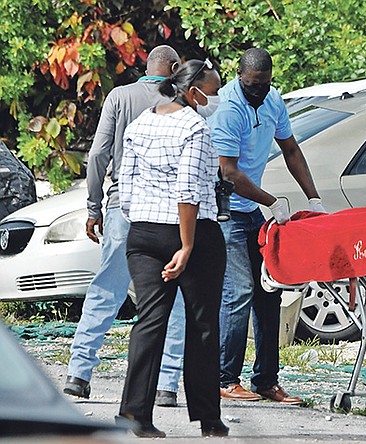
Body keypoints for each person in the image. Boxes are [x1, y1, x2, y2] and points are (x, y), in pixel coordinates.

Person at [64, 45, 187, 408]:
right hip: (167, 214)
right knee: (173, 297)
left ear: (147, 67)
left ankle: (78, 374)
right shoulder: (183, 102)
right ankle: (165, 385)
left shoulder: (119, 97)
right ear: (175, 68)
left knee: (106, 290)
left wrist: (93, 207)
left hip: (123, 208)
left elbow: (99, 154)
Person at [116, 59, 227, 438]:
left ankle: (134, 413)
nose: (215, 98)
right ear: (193, 90)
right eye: (212, 91)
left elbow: (125, 187)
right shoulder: (195, 126)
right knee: (202, 325)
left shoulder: (140, 123)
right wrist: (186, 244)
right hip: (190, 232)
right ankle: (208, 418)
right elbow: (188, 190)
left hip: (143, 233)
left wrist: (145, 223)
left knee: (149, 320)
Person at [210, 47, 324, 404]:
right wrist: (271, 202)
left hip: (251, 211)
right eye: (253, 84)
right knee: (239, 292)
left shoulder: (273, 100)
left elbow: (290, 149)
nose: (259, 90)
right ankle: (225, 378)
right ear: (240, 76)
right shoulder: (228, 108)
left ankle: (266, 380)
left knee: (270, 290)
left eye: (265, 83)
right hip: (224, 211)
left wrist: (314, 197)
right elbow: (227, 172)